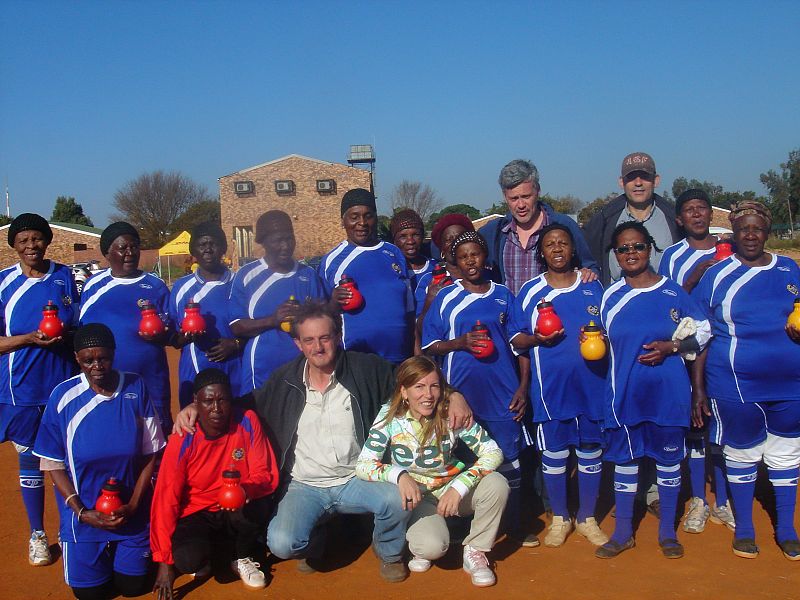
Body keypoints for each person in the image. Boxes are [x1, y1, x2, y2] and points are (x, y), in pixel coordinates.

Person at [173, 301, 474, 582]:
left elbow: (413, 380)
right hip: (305, 485)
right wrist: (195, 408)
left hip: (356, 477)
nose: (318, 347)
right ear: (298, 344)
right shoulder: (284, 380)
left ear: (338, 336)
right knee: (282, 543)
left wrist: (453, 393)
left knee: (397, 499)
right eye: (309, 340)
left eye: (325, 338)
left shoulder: (366, 369)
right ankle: (319, 532)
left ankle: (388, 551)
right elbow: (243, 403)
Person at [595, 222, 710, 560]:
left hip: (668, 395)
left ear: (650, 249)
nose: (631, 253)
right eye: (624, 249)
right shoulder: (610, 297)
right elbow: (600, 339)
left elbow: (703, 332)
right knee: (627, 464)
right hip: (624, 395)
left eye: (638, 246)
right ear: (616, 255)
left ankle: (666, 534)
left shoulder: (673, 292)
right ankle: (623, 532)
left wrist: (672, 347)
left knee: (669, 464)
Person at [692, 201, 800, 560]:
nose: (750, 235)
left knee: (786, 455)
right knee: (742, 453)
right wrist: (699, 388)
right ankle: (746, 528)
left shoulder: (789, 269)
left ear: (767, 231)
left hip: (790, 382)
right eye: (743, 229)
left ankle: (786, 528)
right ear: (733, 234)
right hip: (735, 382)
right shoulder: (718, 274)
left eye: (757, 228)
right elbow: (700, 334)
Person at [33, 324, 165, 599]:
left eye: (103, 358)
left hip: (130, 512)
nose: (97, 366)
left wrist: (133, 505)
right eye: (88, 360)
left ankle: (123, 549)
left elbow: (150, 454)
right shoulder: (63, 396)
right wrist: (81, 512)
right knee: (91, 595)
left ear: (114, 354)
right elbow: (52, 464)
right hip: (83, 516)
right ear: (77, 358)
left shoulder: (135, 387)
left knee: (132, 588)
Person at [356, 356, 508, 587]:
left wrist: (459, 486)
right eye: (419, 386)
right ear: (404, 391)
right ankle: (421, 543)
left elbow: (493, 452)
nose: (428, 395)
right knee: (432, 547)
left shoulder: (450, 413)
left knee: (496, 484)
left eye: (434, 386)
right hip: (418, 498)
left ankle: (475, 551)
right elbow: (364, 464)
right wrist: (399, 475)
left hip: (451, 490)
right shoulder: (389, 416)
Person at [422, 231, 533, 546]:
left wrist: (523, 387)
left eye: (476, 254)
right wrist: (461, 342)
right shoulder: (447, 296)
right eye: (463, 257)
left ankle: (512, 524)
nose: (471, 261)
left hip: (503, 392)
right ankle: (462, 525)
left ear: (486, 258)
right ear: (455, 262)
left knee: (509, 459)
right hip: (461, 396)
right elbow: (430, 346)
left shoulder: (503, 295)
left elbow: (519, 345)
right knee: (463, 459)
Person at [509, 223, 608, 548]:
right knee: (554, 455)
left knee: (590, 451)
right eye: (550, 244)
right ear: (542, 252)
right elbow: (517, 339)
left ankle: (587, 517)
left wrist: (601, 338)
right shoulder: (530, 292)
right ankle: (561, 517)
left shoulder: (594, 288)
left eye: (563, 243)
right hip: (550, 392)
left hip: (592, 388)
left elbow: (611, 333)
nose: (557, 249)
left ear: (572, 249)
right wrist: (538, 338)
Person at [151, 368, 279, 597]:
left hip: (235, 505)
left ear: (231, 399)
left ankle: (241, 556)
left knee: (257, 507)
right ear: (195, 402)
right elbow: (166, 497)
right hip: (197, 511)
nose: (216, 409)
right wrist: (164, 562)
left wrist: (245, 490)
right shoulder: (183, 438)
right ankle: (211, 552)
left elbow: (264, 472)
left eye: (223, 400)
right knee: (189, 560)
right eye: (208, 401)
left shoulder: (247, 421)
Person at [0, 213, 78, 567]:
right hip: (21, 389)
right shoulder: (3, 284)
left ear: (47, 240)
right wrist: (28, 339)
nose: (31, 245)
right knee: (31, 458)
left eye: (37, 238)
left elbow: (78, 324)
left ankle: (69, 530)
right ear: (13, 245)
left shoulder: (65, 277)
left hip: (62, 384)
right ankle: (37, 534)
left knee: (65, 459)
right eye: (23, 240)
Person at [659, 189, 734, 535]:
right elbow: (668, 302)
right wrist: (697, 275)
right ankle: (698, 500)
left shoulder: (730, 249)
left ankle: (722, 499)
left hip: (725, 351)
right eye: (689, 211)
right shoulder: (673, 256)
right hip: (687, 350)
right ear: (680, 219)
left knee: (719, 425)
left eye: (702, 209)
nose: (697, 215)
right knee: (694, 423)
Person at [79, 222, 173, 429]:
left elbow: (172, 332)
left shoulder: (155, 286)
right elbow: (81, 332)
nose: (130, 253)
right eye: (122, 248)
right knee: (114, 436)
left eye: (134, 247)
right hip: (106, 383)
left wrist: (161, 335)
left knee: (155, 440)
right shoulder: (93, 286)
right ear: (107, 253)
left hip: (151, 381)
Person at [229, 210, 325, 394]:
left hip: (303, 370)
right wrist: (273, 319)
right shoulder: (247, 275)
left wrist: (305, 315)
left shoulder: (308, 275)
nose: (285, 246)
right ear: (263, 242)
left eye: (289, 239)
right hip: (261, 371)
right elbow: (236, 326)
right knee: (260, 421)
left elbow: (322, 319)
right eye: (277, 240)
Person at [319, 188, 414, 364]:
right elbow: (319, 317)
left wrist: (413, 355)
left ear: (376, 218)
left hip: (399, 358)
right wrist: (333, 302)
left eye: (368, 216)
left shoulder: (394, 253)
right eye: (354, 217)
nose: (362, 223)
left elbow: (409, 310)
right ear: (343, 221)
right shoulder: (331, 261)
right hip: (356, 361)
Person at [478, 159, 597, 294]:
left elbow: (590, 266)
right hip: (511, 314)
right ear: (505, 197)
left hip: (553, 312)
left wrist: (587, 274)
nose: (521, 205)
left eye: (526, 196)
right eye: (514, 198)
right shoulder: (494, 232)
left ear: (538, 191)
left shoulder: (564, 226)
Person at [170, 222, 242, 408]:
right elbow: (174, 338)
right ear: (193, 251)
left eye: (214, 244)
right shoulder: (181, 288)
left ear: (223, 249)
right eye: (202, 245)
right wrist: (187, 337)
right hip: (196, 371)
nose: (208, 249)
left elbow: (254, 330)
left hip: (236, 371)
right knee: (197, 430)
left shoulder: (240, 284)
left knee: (239, 427)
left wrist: (235, 344)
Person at [584, 152, 680, 287]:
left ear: (656, 180)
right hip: (620, 303)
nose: (638, 183)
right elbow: (587, 261)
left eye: (645, 177)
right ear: (621, 182)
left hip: (665, 302)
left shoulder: (675, 220)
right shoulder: (603, 221)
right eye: (631, 178)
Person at [390, 209, 435, 290]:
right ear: (394, 240)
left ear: (422, 237)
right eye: (403, 236)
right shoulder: (389, 270)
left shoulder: (436, 268)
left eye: (415, 235)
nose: (410, 241)